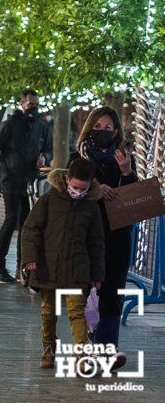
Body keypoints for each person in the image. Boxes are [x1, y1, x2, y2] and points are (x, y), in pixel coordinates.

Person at [69, 106, 137, 369]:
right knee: (83, 290)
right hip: (86, 236)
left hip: (117, 235)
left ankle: (108, 349)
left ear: (116, 131)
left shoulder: (125, 157)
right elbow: (70, 191)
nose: (102, 132)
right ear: (89, 129)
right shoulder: (79, 158)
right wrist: (96, 188)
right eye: (97, 127)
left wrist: (126, 171)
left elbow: (134, 198)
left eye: (108, 128)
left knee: (112, 290)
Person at [21, 158, 105, 369]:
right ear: (67, 178)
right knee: (48, 311)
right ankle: (48, 349)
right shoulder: (49, 200)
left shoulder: (91, 206)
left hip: (78, 268)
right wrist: (30, 258)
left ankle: (82, 356)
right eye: (75, 187)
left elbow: (96, 243)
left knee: (77, 312)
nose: (79, 192)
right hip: (48, 265)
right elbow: (31, 229)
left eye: (84, 189)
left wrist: (97, 275)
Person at [0, 89, 52, 284]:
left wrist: (45, 157)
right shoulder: (9, 125)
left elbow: (47, 150)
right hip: (10, 180)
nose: (34, 108)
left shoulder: (41, 127)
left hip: (30, 181)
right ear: (22, 104)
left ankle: (20, 267)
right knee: (10, 220)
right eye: (31, 104)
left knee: (26, 225)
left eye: (37, 104)